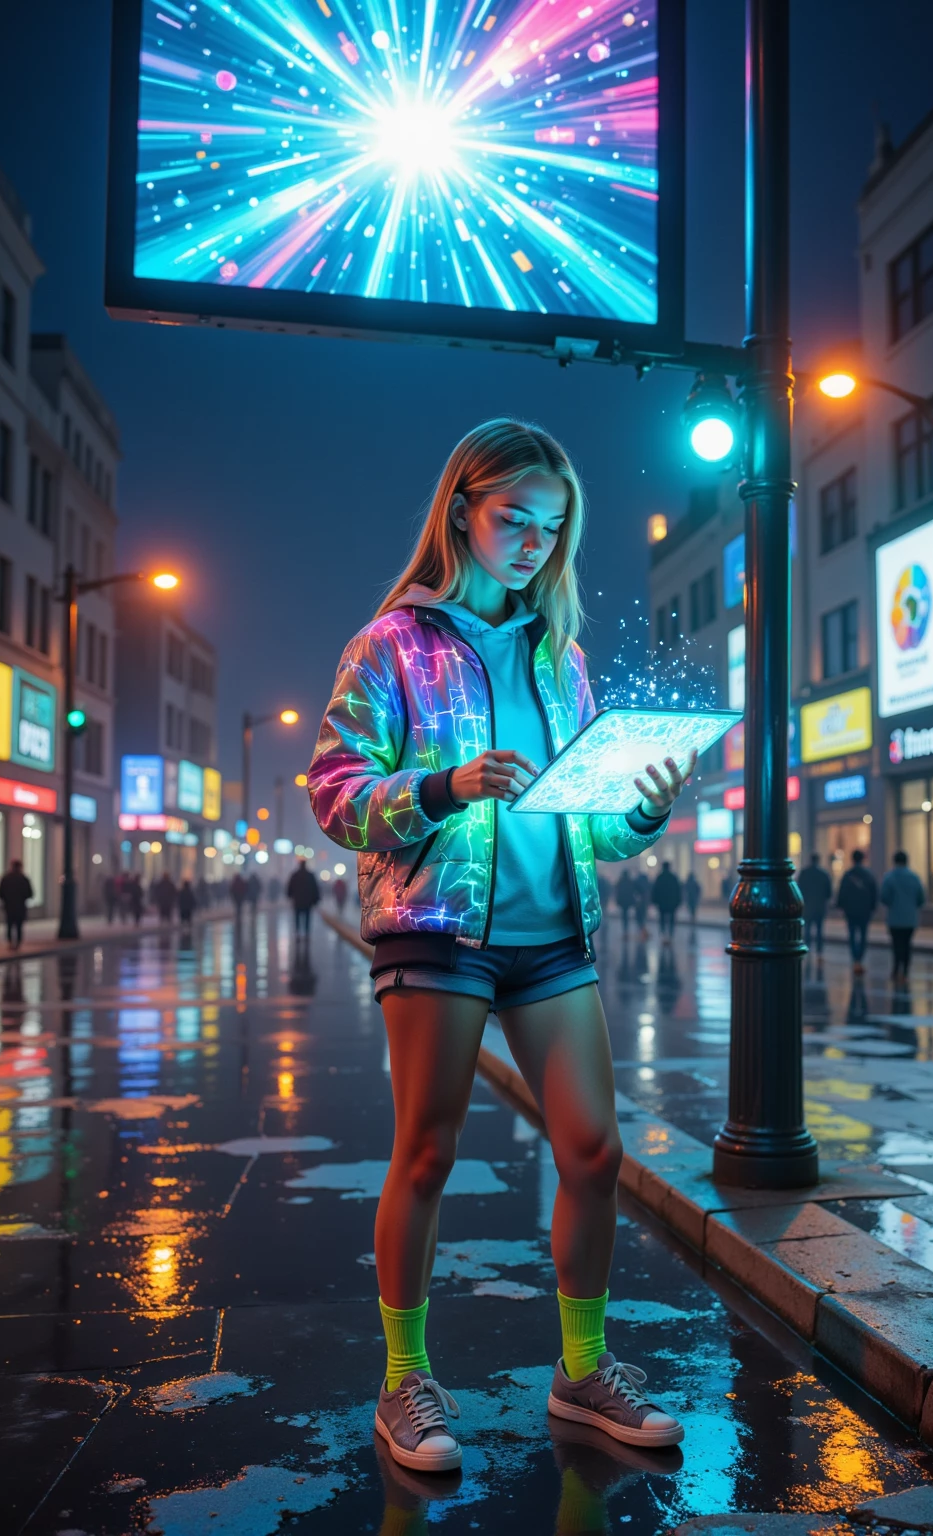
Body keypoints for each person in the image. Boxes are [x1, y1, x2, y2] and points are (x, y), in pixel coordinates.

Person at [307, 419, 693, 1474]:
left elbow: (593, 825)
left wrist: (643, 811)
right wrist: (441, 786)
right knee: (426, 1153)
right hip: (438, 932)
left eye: (551, 524)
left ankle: (580, 1373)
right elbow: (335, 796)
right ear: (463, 510)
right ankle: (404, 1384)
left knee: (594, 1151)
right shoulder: (389, 645)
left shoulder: (556, 655)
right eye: (513, 517)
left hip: (551, 931)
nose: (531, 541)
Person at [879, 851, 925, 981]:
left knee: (896, 944)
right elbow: (921, 898)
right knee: (907, 944)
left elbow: (884, 897)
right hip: (910, 918)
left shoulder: (889, 877)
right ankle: (905, 970)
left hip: (894, 918)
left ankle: (896, 968)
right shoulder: (914, 877)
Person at [836, 848, 877, 975]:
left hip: (851, 910)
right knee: (863, 935)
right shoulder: (868, 874)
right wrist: (872, 907)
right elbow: (874, 892)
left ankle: (855, 960)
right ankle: (860, 959)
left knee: (852, 935)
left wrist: (841, 906)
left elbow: (842, 892)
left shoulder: (848, 875)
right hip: (864, 910)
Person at [797, 852, 832, 959]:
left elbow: (799, 890)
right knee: (819, 930)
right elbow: (829, 893)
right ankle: (819, 951)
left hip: (808, 907)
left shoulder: (804, 873)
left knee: (807, 929)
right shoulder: (824, 874)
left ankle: (808, 950)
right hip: (820, 907)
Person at [0, 859, 33, 951]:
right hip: (20, 906)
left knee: (9, 924)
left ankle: (10, 942)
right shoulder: (24, 879)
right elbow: (30, 894)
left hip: (9, 906)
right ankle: (17, 942)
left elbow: (0, 893)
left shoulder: (6, 879)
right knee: (19, 925)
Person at [287, 857, 320, 936]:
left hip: (297, 901)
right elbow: (315, 888)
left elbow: (290, 887)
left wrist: (289, 895)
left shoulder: (295, 875)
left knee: (297, 917)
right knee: (307, 918)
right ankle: (306, 932)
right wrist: (315, 900)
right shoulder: (310, 875)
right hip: (307, 902)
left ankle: (298, 932)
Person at [650, 861, 681, 943]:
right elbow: (678, 890)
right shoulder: (673, 877)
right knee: (672, 919)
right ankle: (670, 935)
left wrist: (654, 901)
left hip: (662, 903)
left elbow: (655, 891)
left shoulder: (659, 877)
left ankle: (663, 935)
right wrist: (678, 901)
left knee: (662, 919)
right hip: (672, 902)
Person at [614, 870, 635, 934]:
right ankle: (626, 928)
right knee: (626, 914)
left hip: (622, 901)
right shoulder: (630, 881)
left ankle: (625, 929)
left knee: (624, 914)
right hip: (628, 901)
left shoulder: (620, 882)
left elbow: (617, 891)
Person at [631, 869, 650, 941]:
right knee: (643, 917)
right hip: (644, 902)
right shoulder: (646, 882)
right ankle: (643, 931)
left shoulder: (636, 882)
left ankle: (641, 932)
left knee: (639, 917)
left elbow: (633, 892)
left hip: (638, 902)